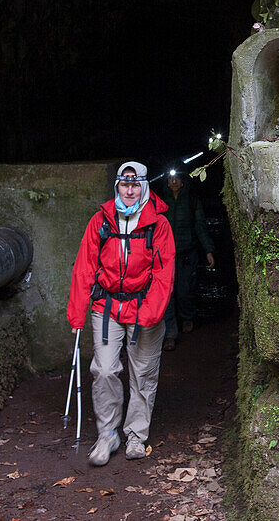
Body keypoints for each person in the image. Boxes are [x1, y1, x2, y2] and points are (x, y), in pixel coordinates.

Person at [67, 162, 175, 466]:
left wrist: (151, 312)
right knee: (103, 369)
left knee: (142, 372)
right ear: (117, 186)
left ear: (144, 186)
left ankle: (136, 436)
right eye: (124, 185)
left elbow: (164, 272)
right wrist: (77, 313)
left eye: (135, 184)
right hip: (108, 307)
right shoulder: (100, 221)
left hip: (144, 308)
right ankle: (108, 434)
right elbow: (84, 267)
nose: (129, 190)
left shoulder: (159, 225)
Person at [155, 170, 215, 352]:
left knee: (184, 290)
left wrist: (208, 250)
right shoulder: (160, 202)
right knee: (167, 295)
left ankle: (187, 316)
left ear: (182, 182)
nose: (173, 182)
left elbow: (200, 225)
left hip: (186, 252)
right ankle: (170, 334)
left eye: (177, 179)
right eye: (170, 179)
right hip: (165, 255)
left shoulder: (191, 200)